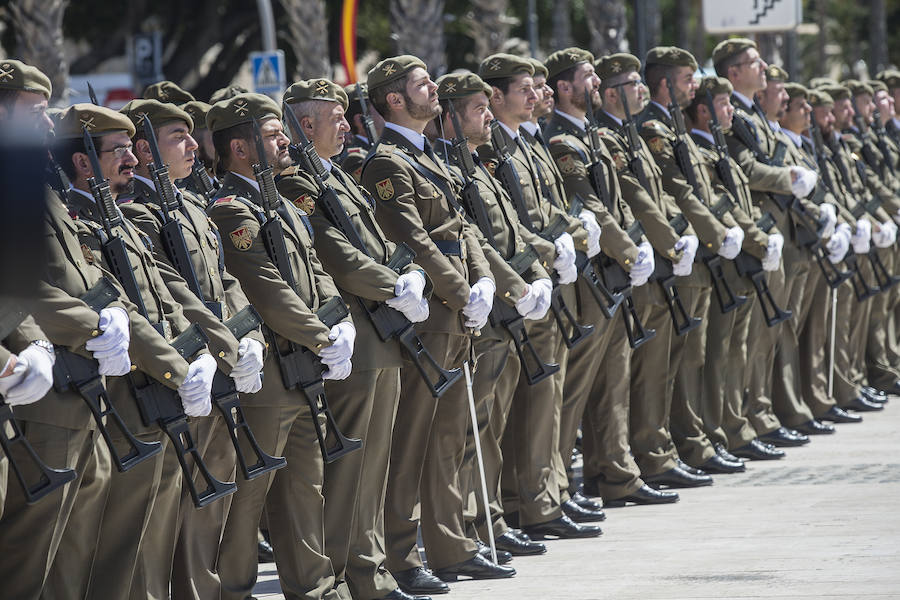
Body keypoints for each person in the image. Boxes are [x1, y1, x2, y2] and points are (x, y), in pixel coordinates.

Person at [359, 55, 511, 595]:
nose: (434, 90)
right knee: (413, 443)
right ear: (394, 99)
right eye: (423, 84)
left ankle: (451, 545)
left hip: (457, 313)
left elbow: (463, 229)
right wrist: (462, 292)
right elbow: (415, 241)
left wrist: (483, 281)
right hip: (429, 320)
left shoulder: (429, 157)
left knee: (449, 436)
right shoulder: (386, 163)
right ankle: (402, 556)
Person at [277, 77, 430, 600]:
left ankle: (371, 570)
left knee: (373, 465)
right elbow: (336, 255)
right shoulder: (297, 184)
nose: (347, 125)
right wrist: (394, 286)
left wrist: (409, 275)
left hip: (381, 334)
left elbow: (378, 242)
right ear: (305, 125)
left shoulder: (338, 177)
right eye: (335, 118)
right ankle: (343, 574)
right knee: (348, 467)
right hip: (354, 338)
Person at [206, 92, 354, 600]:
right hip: (268, 372)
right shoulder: (230, 209)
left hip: (304, 365)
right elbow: (266, 289)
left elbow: (315, 272)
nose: (285, 141)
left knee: (305, 486)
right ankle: (234, 589)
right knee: (251, 494)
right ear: (240, 148)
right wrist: (322, 335)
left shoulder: (282, 203)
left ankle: (314, 587)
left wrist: (339, 322)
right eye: (272, 135)